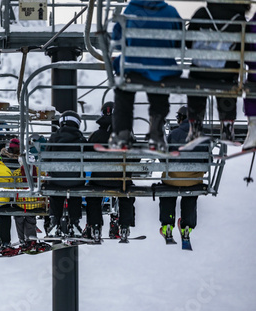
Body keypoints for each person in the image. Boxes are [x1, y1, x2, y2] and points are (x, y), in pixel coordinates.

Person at [110, 0, 182, 152]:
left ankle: (122, 133)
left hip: (134, 69)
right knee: (159, 93)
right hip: (162, 71)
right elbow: (179, 42)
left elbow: (117, 40)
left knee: (123, 94)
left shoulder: (130, 10)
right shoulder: (171, 12)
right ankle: (155, 133)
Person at [186, 2, 250, 142]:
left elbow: (188, 42)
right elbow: (244, 49)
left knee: (195, 83)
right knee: (229, 80)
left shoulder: (202, 13)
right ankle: (227, 126)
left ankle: (196, 126)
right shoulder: (239, 19)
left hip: (200, 72)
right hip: (225, 74)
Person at [84, 102, 135, 242]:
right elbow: (136, 157)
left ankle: (95, 226)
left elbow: (86, 157)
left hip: (99, 181)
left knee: (93, 197)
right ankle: (124, 226)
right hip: (121, 181)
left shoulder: (95, 136)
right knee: (127, 195)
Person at [159, 106, 206, 241]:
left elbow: (163, 157)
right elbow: (208, 160)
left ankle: (167, 225)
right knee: (190, 193)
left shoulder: (173, 134)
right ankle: (187, 227)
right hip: (194, 179)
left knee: (167, 192)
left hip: (172, 178)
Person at [46, 110, 87, 236]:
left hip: (56, 180)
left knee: (55, 193)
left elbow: (46, 158)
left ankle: (55, 222)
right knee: (75, 193)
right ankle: (74, 222)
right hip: (76, 180)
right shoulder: (81, 138)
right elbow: (88, 158)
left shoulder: (54, 137)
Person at [12, 155, 45, 245]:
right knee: (30, 217)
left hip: (22, 204)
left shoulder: (17, 173)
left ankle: (22, 239)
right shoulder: (40, 172)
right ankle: (31, 238)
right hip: (36, 203)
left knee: (19, 216)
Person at [243, 11, 256, 150]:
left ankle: (253, 133)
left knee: (251, 92)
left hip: (255, 73)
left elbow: (245, 53)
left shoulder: (251, 25)